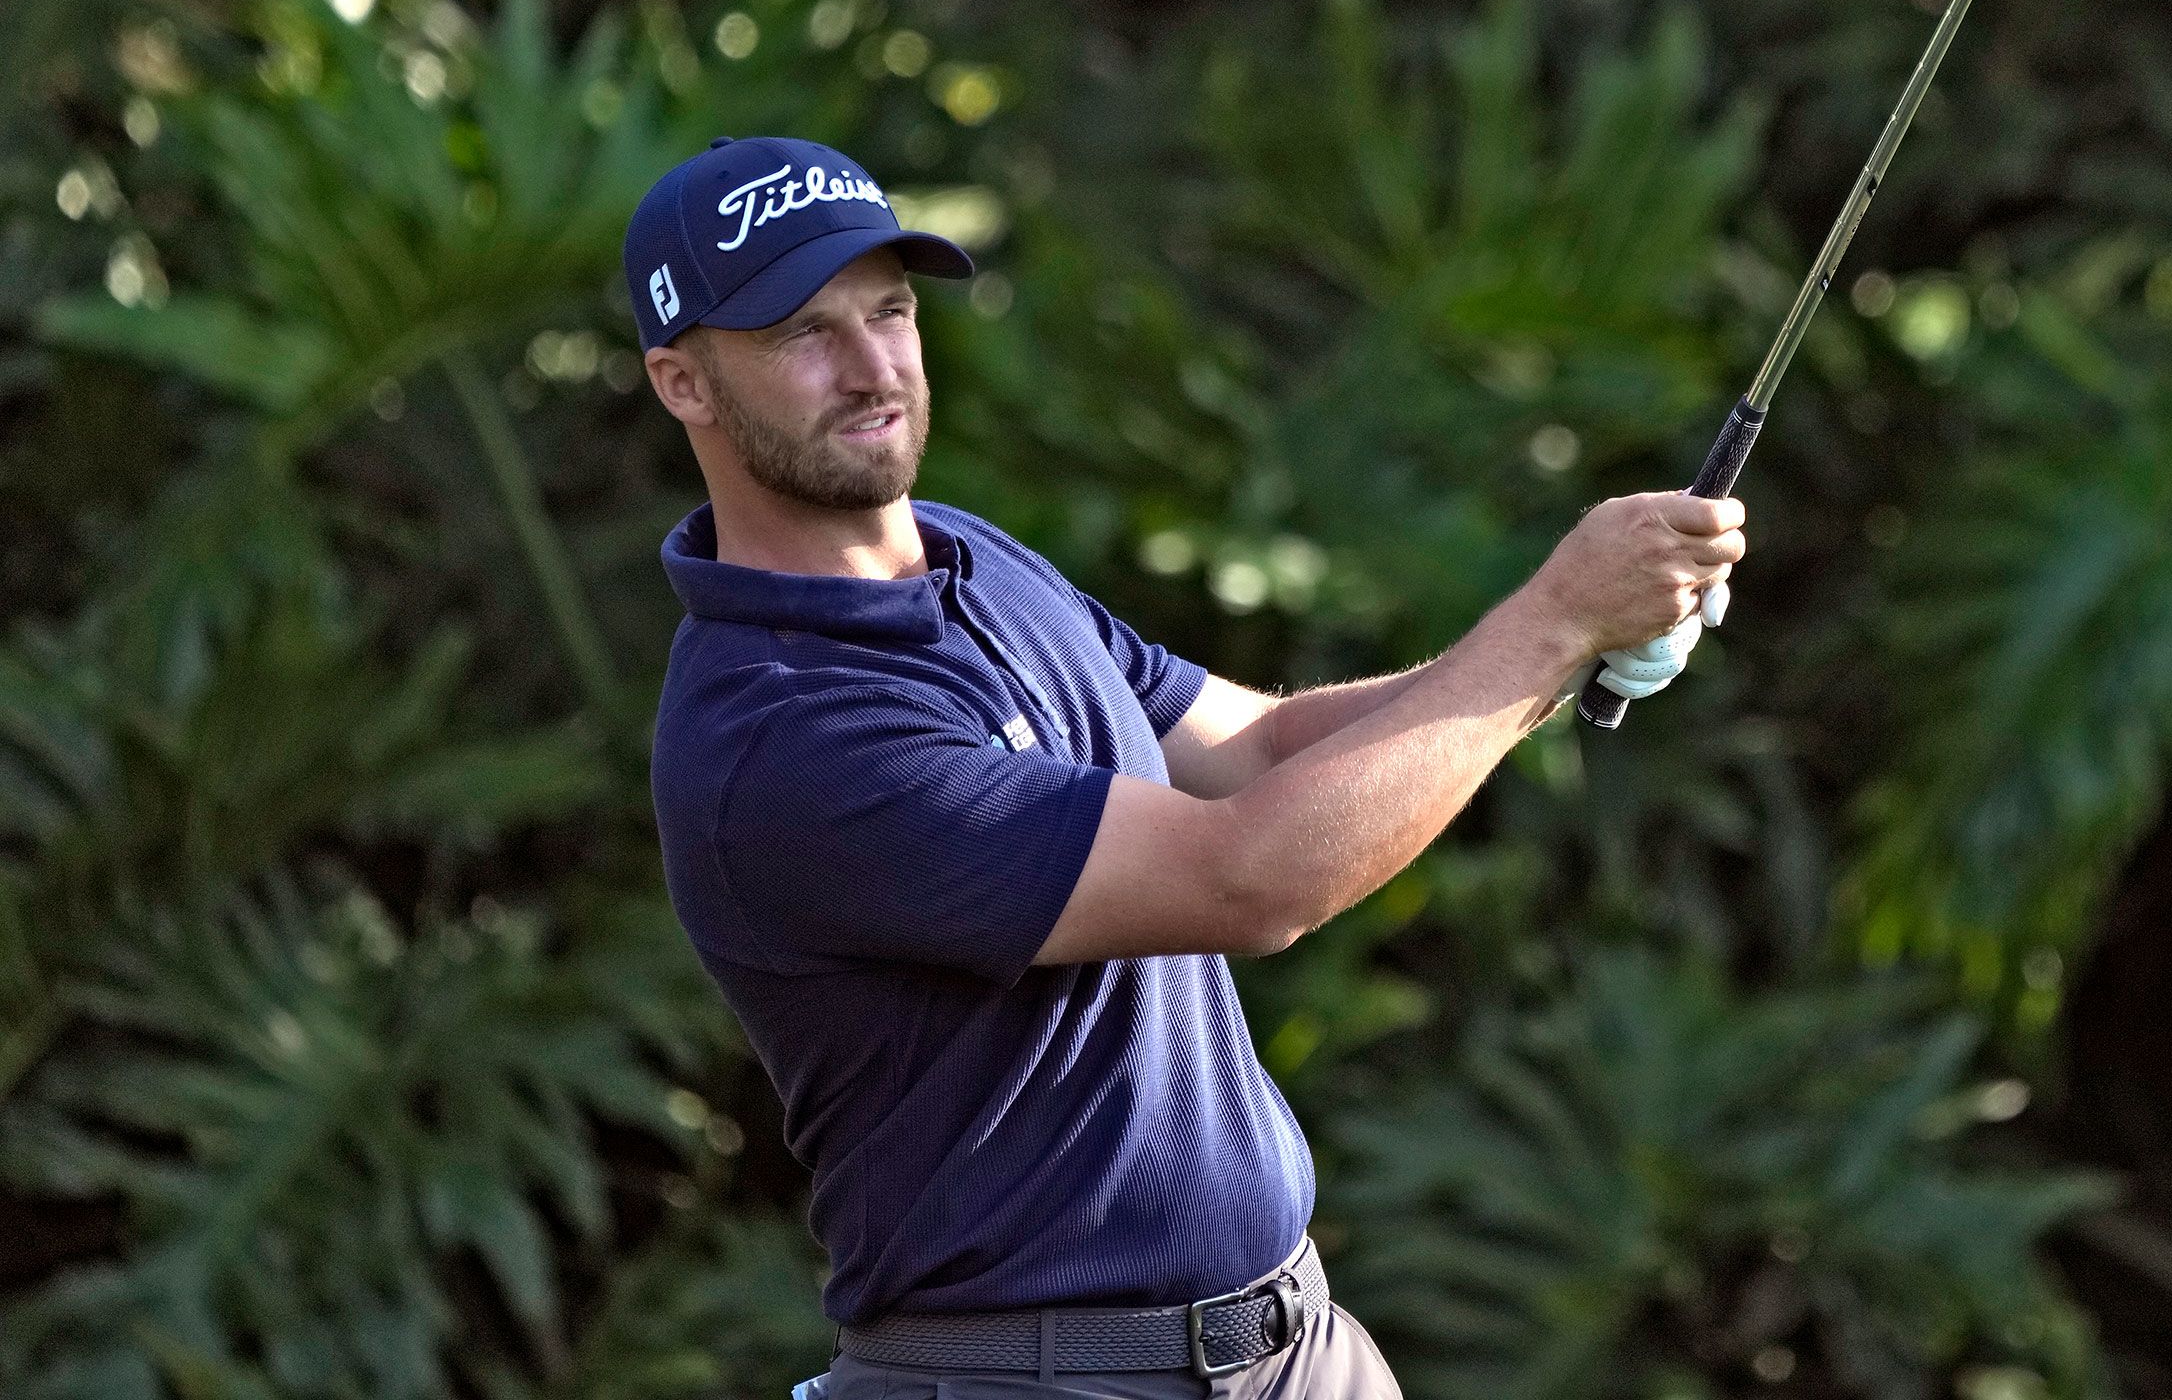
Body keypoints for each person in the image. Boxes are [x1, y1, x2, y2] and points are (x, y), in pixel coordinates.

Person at [625, 137, 1746, 1398]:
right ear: (686, 382)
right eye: (804, 332)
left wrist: (1560, 657)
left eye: (890, 309)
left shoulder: (967, 559)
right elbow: (1247, 876)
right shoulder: (777, 731)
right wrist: (1546, 624)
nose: (875, 364)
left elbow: (1253, 747)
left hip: (1298, 1346)